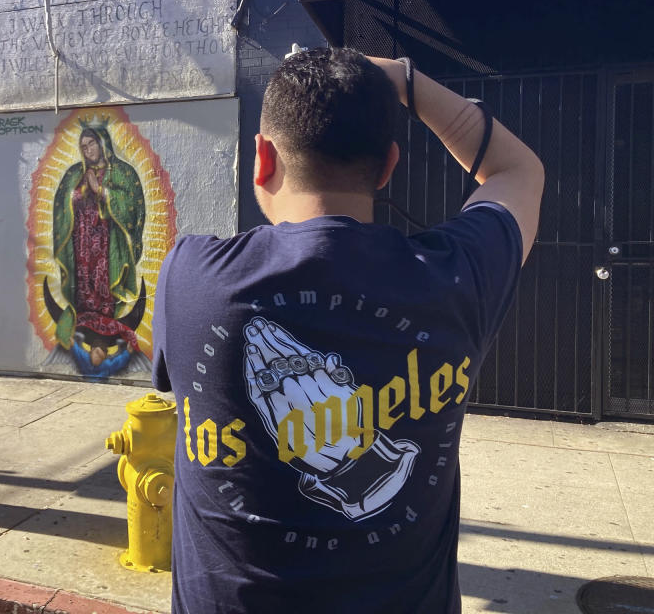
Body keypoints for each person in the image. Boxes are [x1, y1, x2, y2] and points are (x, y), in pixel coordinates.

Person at [152, 47, 544, 613]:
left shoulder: (190, 276)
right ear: (388, 166)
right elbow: (518, 170)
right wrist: (406, 81)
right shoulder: (455, 275)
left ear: (262, 158)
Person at [51, 124, 145, 356]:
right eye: (83, 146)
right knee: (83, 282)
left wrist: (101, 190)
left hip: (108, 242)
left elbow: (133, 208)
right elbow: (61, 205)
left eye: (91, 143)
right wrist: (72, 198)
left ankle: (104, 324)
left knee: (104, 280)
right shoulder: (74, 173)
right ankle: (84, 318)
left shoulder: (123, 172)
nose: (87, 150)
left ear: (103, 143)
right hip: (81, 241)